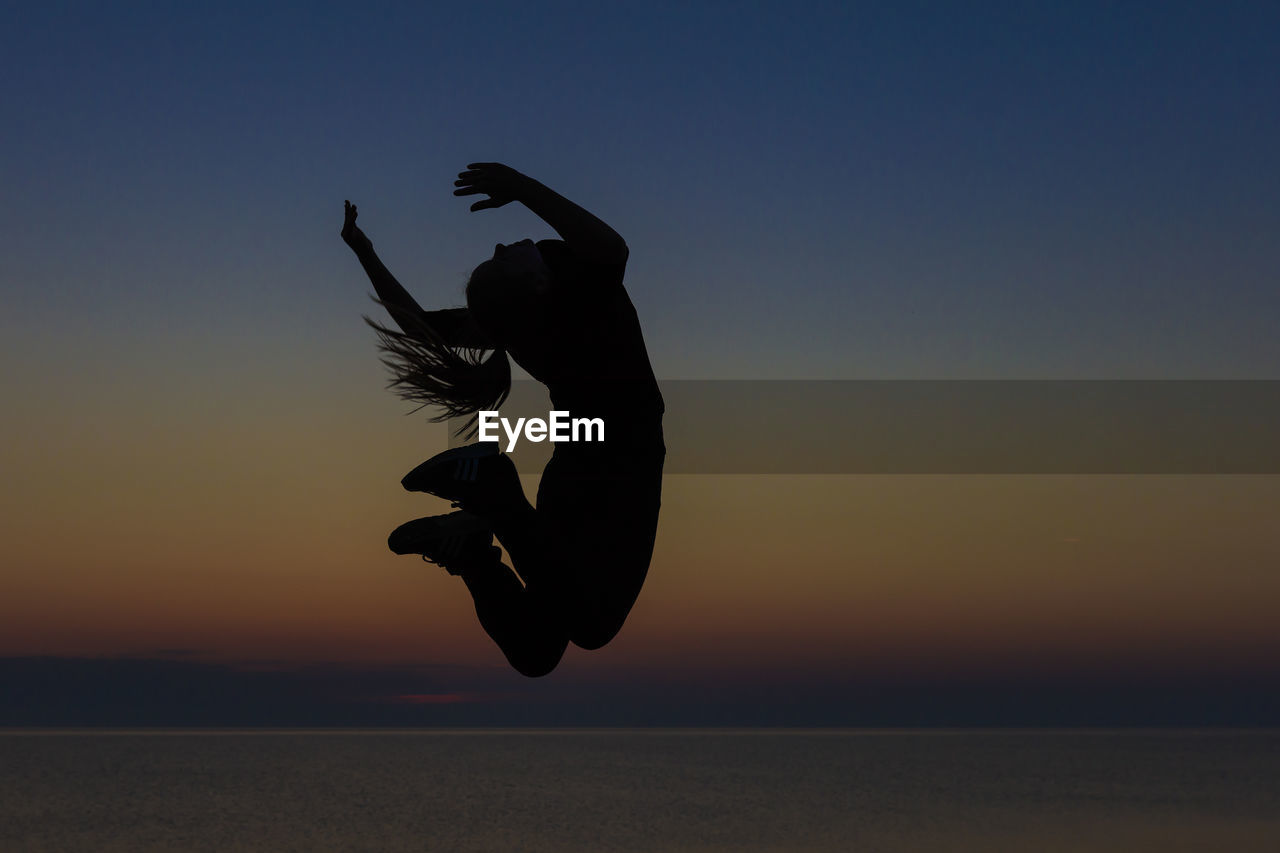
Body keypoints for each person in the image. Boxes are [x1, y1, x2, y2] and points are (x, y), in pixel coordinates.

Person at [341, 163, 664, 677]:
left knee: (537, 650)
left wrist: (365, 253)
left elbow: (420, 326)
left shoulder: (519, 322)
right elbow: (614, 248)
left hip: (578, 462)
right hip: (623, 458)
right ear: (537, 282)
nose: (497, 246)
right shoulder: (581, 287)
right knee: (592, 625)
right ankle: (494, 492)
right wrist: (518, 186)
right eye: (502, 258)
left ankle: (472, 552)